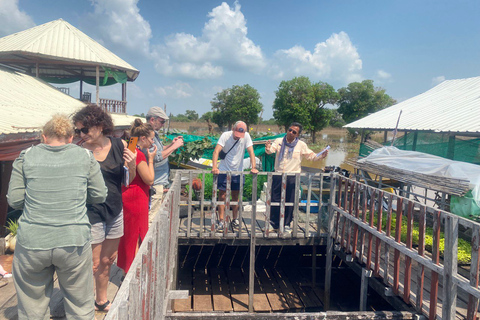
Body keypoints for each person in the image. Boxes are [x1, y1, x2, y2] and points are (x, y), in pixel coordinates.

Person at [7, 114, 107, 319]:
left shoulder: (25, 156)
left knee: (32, 307)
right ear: (71, 138)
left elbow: (15, 200)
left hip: (33, 241)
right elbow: (99, 194)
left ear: (43, 137)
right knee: (80, 304)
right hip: (73, 240)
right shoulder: (86, 157)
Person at [72, 104, 136, 312]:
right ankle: (81, 305)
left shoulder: (121, 145)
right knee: (91, 263)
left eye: (84, 129)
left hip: (114, 210)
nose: (81, 134)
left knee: (107, 260)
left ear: (100, 126)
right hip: (90, 212)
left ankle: (101, 300)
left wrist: (132, 164)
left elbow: (128, 180)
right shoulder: (79, 151)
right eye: (78, 130)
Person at [265, 122, 328, 233]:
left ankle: (287, 224)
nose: (291, 133)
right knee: (275, 199)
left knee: (290, 200)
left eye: (294, 132)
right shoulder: (279, 141)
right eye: (290, 130)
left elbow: (311, 156)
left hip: (292, 176)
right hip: (279, 175)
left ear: (297, 135)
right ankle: (273, 224)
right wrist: (268, 147)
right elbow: (271, 151)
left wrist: (321, 155)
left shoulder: (301, 145)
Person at [117, 119, 157, 274]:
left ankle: (128, 269)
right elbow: (150, 180)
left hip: (126, 195)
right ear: (143, 138)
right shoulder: (139, 154)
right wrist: (151, 160)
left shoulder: (130, 146)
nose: (153, 141)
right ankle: (134, 272)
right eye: (151, 138)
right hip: (137, 197)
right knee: (137, 234)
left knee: (128, 235)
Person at [212, 121, 258, 231]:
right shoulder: (225, 136)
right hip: (224, 170)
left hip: (238, 172)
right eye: (236, 134)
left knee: (235, 196)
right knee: (222, 195)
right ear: (233, 128)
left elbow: (251, 152)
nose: (238, 137)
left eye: (240, 135)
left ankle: (235, 219)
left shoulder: (246, 136)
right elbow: (216, 151)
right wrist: (214, 167)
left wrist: (253, 167)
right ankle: (222, 220)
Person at [146, 106, 184, 223]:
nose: (163, 124)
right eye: (162, 122)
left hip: (158, 182)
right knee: (152, 218)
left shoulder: (154, 134)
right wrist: (174, 146)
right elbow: (156, 156)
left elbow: (159, 151)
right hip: (155, 183)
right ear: (152, 120)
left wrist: (171, 144)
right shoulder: (148, 135)